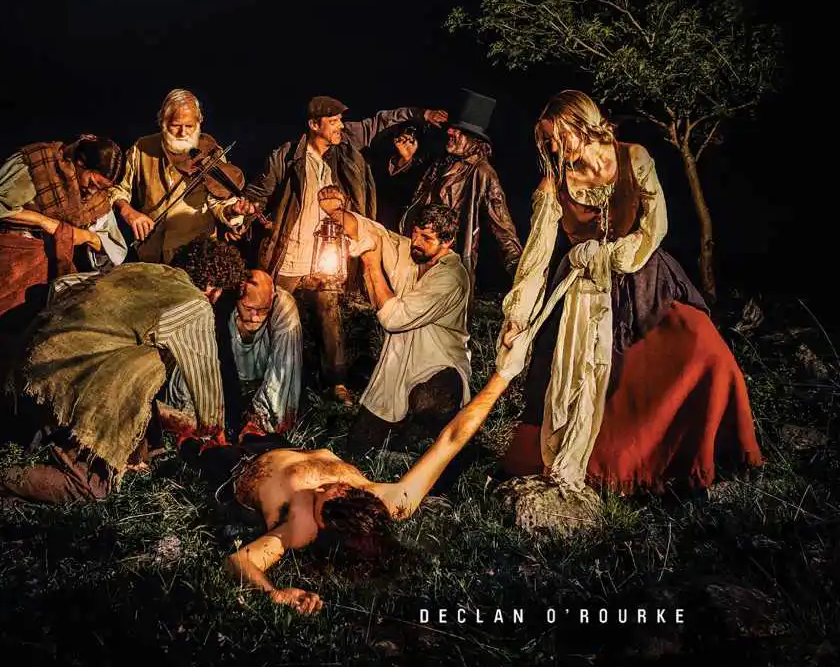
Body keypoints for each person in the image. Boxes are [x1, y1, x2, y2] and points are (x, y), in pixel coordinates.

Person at [496, 90, 763, 496]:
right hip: (582, 289)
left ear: (581, 123)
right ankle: (614, 472)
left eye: (556, 136)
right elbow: (536, 256)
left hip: (643, 280)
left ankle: (712, 453)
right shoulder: (554, 185)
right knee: (589, 383)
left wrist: (616, 257)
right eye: (546, 141)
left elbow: (655, 226)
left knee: (707, 351)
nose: (551, 147)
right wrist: (517, 317)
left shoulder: (633, 158)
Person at [170, 324, 532, 613]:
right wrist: (503, 375)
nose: (322, 488)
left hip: (232, 465)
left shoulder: (301, 528)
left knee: (191, 406)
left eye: (322, 499)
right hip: (272, 442)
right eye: (335, 490)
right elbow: (450, 440)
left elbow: (238, 562)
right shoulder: (392, 500)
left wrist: (274, 593)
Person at [0, 239, 247, 505]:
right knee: (92, 488)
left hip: (31, 370)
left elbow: (64, 285)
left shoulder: (142, 269)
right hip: (71, 389)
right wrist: (214, 430)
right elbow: (204, 374)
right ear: (213, 286)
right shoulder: (195, 304)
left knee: (138, 363)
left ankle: (42, 437)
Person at [241, 95, 448, 404]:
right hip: (290, 255)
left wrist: (420, 114)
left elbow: (380, 122)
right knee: (272, 312)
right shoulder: (287, 156)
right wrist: (243, 212)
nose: (340, 126)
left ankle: (336, 383)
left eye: (340, 120)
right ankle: (259, 373)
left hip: (323, 257)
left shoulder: (345, 145)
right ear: (314, 125)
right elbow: (259, 192)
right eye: (333, 121)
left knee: (329, 312)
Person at [324, 200, 471, 468]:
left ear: (447, 242)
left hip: (437, 366)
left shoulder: (451, 278)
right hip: (397, 368)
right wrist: (335, 211)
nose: (417, 242)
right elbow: (371, 231)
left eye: (427, 238)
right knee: (357, 447)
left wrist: (372, 266)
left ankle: (429, 443)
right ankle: (400, 444)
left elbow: (394, 319)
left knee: (429, 402)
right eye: (415, 232)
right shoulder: (410, 252)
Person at [0, 134, 128, 327]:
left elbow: (112, 247)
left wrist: (85, 236)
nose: (93, 191)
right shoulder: (38, 164)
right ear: (80, 162)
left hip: (50, 267)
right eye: (92, 183)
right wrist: (42, 221)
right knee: (1, 324)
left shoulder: (98, 197)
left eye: (101, 188)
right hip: (12, 257)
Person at [402, 88, 523, 296]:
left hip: (448, 269)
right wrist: (405, 161)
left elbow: (503, 229)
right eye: (452, 128)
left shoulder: (482, 173)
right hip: (415, 257)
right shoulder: (441, 162)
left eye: (459, 131)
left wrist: (521, 274)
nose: (450, 132)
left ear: (475, 140)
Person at [110, 88, 249, 264]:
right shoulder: (142, 148)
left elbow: (219, 202)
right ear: (162, 122)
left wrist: (231, 211)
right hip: (151, 251)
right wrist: (128, 211)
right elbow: (118, 189)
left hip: (195, 253)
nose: (183, 133)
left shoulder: (210, 152)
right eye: (175, 125)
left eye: (189, 126)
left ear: (199, 123)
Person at [167, 269, 303, 437]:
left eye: (263, 309)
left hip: (260, 384)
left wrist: (260, 419)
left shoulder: (282, 306)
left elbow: (283, 369)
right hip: (224, 382)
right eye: (248, 308)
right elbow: (195, 354)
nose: (255, 317)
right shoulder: (221, 303)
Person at [372, 123, 428, 232]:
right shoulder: (380, 159)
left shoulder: (422, 171)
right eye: (403, 134)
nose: (406, 141)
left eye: (411, 139)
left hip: (395, 226)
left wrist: (407, 158)